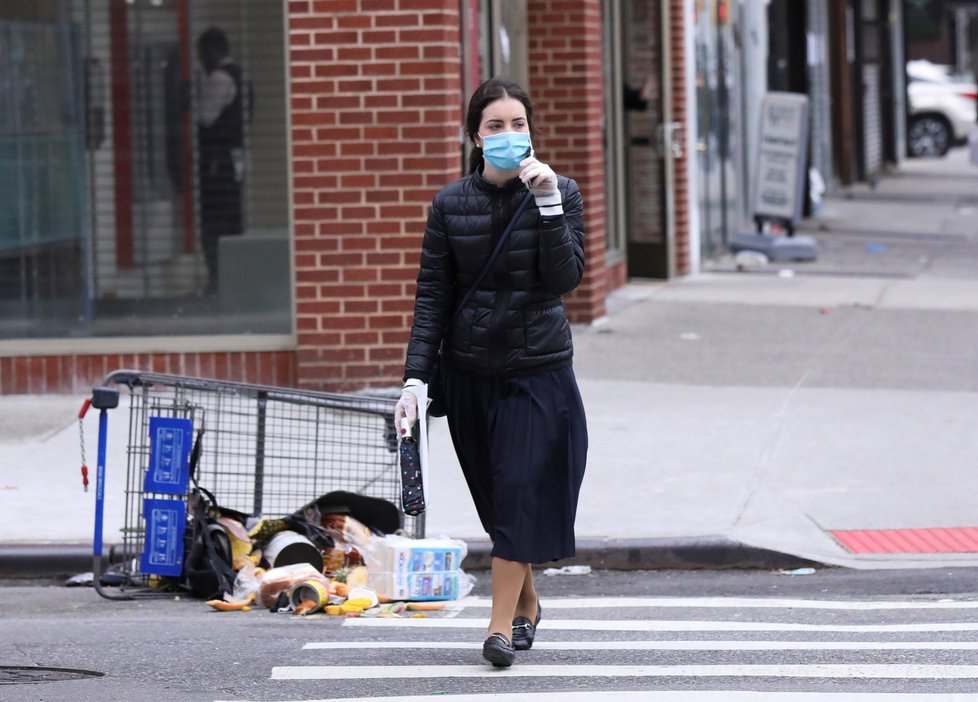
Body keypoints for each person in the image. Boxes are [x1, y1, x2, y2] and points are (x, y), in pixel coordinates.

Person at [394, 77, 588, 668]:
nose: (508, 136)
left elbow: (565, 279)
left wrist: (550, 202)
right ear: (475, 137)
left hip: (537, 372)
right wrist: (414, 381)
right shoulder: (451, 204)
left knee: (521, 491)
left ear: (531, 130)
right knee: (501, 503)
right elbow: (432, 297)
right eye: (495, 126)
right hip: (471, 374)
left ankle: (498, 628)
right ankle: (526, 600)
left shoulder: (561, 193)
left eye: (518, 124)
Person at [195, 26, 246, 294]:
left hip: (217, 164)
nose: (200, 59)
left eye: (201, 53)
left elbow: (205, 118)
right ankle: (232, 279)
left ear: (212, 50)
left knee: (213, 222)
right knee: (232, 220)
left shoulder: (219, 79)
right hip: (235, 161)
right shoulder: (241, 76)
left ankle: (217, 278)